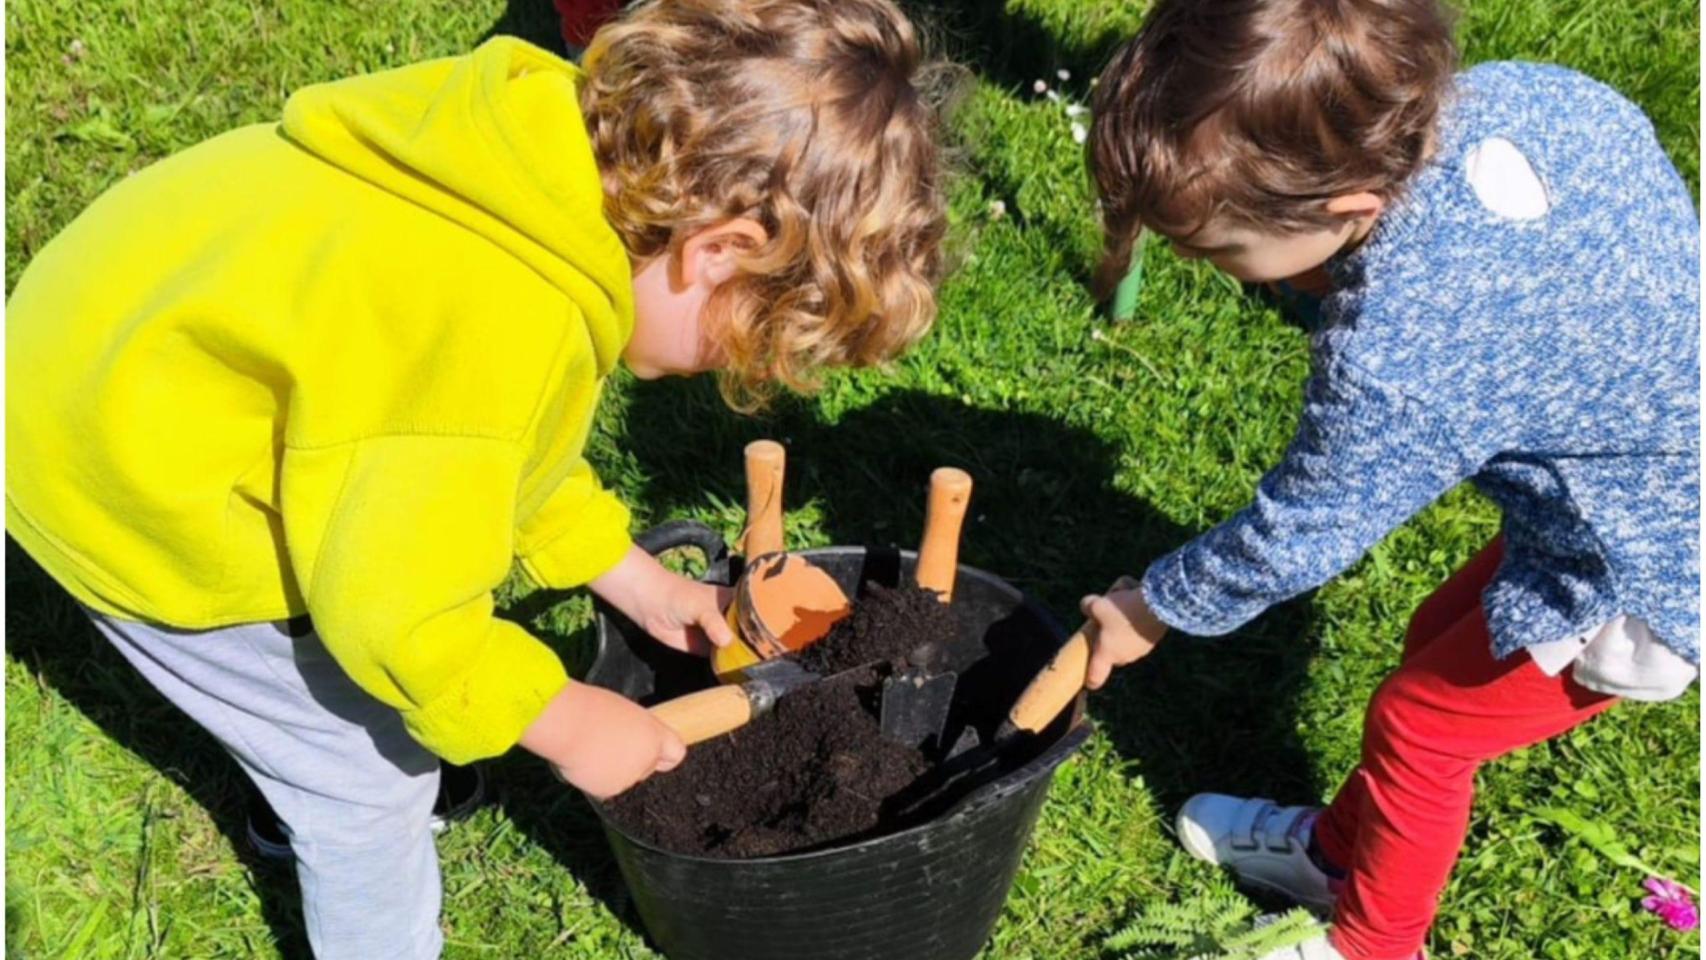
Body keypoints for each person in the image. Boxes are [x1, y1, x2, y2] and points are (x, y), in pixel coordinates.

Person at [5, 1, 948, 956]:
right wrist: (563, 718)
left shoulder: (526, 160)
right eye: (743, 347)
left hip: (106, 344)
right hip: (129, 477)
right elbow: (396, 614)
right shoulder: (489, 325)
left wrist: (633, 578)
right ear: (718, 254)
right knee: (366, 781)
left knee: (383, 670)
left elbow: (505, 453)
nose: (727, 373)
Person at [1078, 0, 1699, 957]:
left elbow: (1304, 525)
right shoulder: (1535, 97)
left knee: (1425, 728)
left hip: (1647, 566)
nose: (1226, 276)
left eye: (1223, 254)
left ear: (1347, 212)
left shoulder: (1403, 354)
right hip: (1631, 485)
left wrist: (1155, 605)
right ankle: (1339, 854)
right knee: (1432, 642)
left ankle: (1374, 943)